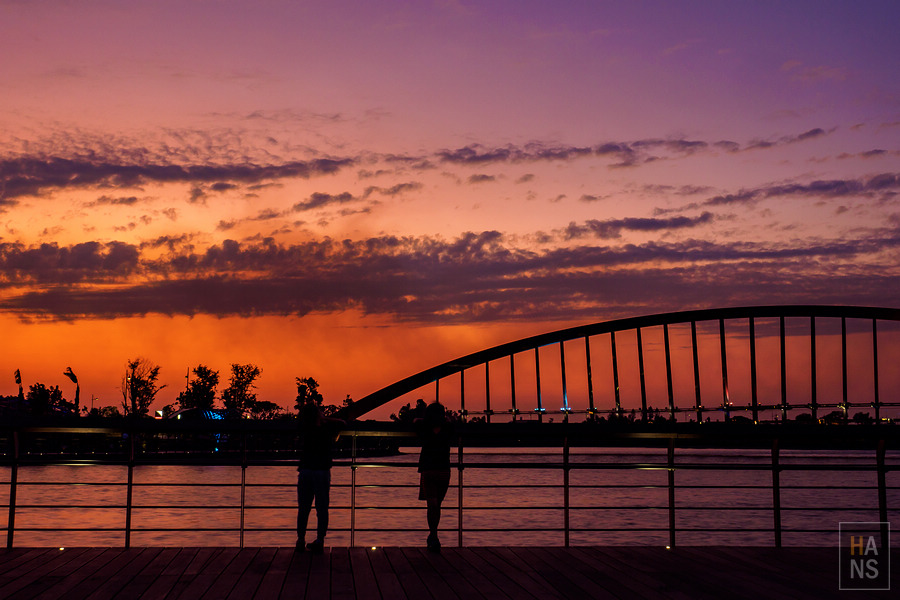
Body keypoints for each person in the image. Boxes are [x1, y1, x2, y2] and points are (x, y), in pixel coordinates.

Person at [296, 402, 345, 553]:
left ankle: (300, 539)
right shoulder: (326, 430)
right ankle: (320, 540)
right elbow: (342, 423)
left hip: (305, 471)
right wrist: (326, 419)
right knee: (322, 508)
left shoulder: (304, 429)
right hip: (321, 471)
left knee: (303, 508)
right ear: (318, 415)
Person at [416, 400, 452, 552]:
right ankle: (434, 536)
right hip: (443, 469)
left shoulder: (423, 427)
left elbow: (415, 421)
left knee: (433, 505)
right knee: (437, 504)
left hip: (428, 469)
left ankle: (433, 536)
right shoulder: (448, 427)